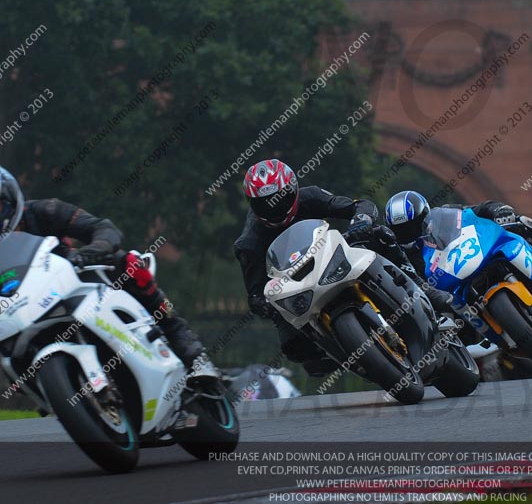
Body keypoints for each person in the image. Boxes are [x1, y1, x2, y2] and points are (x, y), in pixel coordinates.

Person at [234, 159, 452, 376]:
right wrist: (265, 305)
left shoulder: (310, 196)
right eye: (265, 204)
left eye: (279, 200)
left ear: (293, 190)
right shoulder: (248, 244)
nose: (274, 208)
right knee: (295, 348)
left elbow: (359, 205)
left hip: (335, 254)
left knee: (380, 235)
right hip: (298, 286)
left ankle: (424, 289)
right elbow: (255, 293)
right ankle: (343, 353)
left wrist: (361, 221)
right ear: (251, 203)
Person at [0, 167, 217, 383]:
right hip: (20, 312)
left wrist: (91, 252)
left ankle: (189, 349)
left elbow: (102, 227)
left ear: (10, 200)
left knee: (129, 263)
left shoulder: (45, 210)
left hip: (71, 280)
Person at [384, 191, 532, 292]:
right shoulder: (405, 258)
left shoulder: (445, 214)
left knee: (524, 224)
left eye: (412, 225)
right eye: (402, 230)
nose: (409, 233)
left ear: (425, 215)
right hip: (454, 288)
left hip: (476, 252)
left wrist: (497, 211)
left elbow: (476, 210)